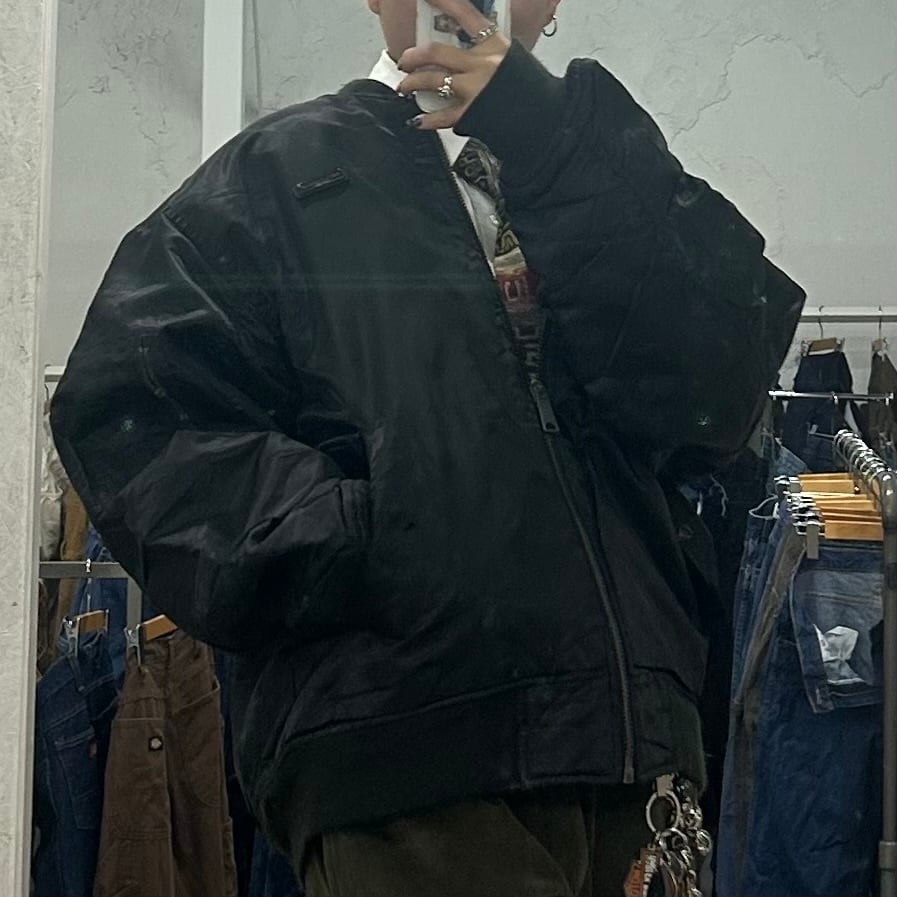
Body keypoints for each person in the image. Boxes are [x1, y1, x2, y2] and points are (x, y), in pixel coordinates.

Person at [51, 0, 806, 894]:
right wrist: (361, 539)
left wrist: (549, 136)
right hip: (404, 758)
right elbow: (129, 410)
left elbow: (719, 389)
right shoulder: (272, 179)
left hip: (637, 759)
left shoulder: (605, 162)